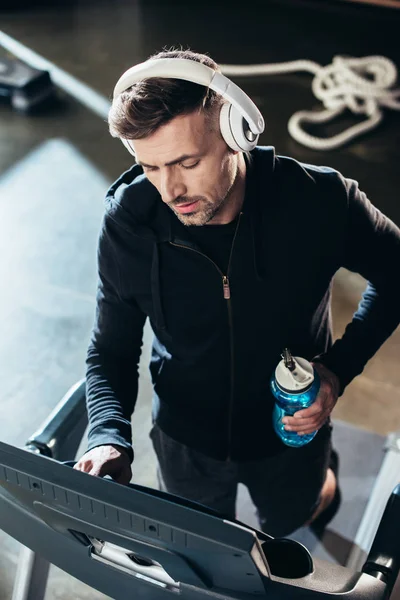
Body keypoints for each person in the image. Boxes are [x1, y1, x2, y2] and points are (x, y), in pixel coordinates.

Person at [74, 49, 400, 538]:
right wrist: (106, 436)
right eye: (151, 167)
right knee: (203, 539)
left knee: (298, 517)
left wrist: (339, 369)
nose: (170, 189)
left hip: (292, 426)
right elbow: (110, 349)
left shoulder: (321, 201)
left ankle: (322, 485)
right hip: (185, 435)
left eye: (187, 162)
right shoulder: (130, 220)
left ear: (235, 133)